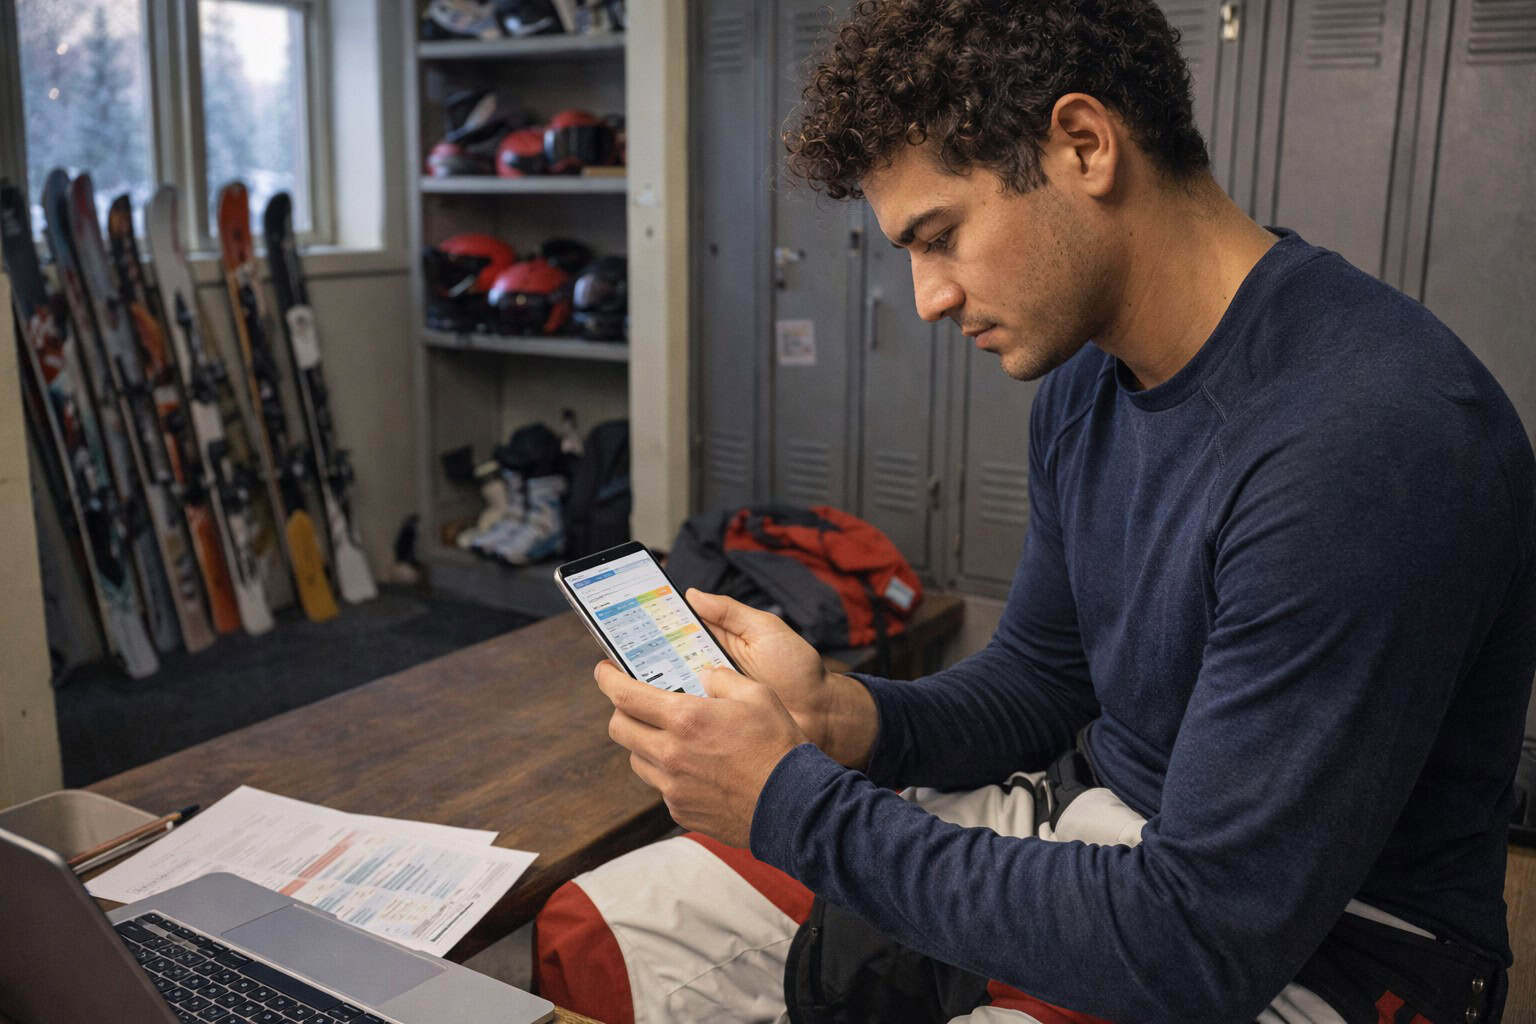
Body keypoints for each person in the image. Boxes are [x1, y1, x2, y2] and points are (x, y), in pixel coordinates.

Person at [534, 1, 1536, 1020]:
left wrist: (791, 803)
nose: (925, 297)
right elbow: (1044, 678)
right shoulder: (1087, 379)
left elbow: (1201, 936)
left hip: (1327, 944)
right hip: (1107, 831)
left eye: (941, 236)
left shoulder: (1370, 443)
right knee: (604, 933)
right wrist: (846, 714)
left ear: (1084, 145)